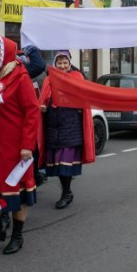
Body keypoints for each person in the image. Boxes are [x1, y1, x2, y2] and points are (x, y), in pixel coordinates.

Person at [0, 35, 41, 255]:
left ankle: (17, 235)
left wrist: (27, 145)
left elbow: (32, 112)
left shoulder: (20, 77)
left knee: (19, 194)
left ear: (7, 53)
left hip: (15, 149)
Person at [38, 51, 95, 209]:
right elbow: (43, 100)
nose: (62, 66)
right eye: (59, 63)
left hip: (70, 126)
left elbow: (83, 99)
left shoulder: (77, 77)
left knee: (65, 165)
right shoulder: (48, 79)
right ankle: (66, 191)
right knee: (58, 165)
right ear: (55, 64)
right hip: (53, 127)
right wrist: (42, 107)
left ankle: (66, 193)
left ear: (70, 63)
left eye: (65, 62)